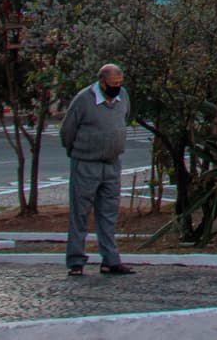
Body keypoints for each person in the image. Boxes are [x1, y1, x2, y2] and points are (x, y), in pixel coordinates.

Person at [60, 63, 136, 277]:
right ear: (102, 82)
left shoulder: (123, 98)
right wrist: (78, 152)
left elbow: (123, 119)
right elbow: (68, 131)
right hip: (86, 163)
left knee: (109, 214)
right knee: (80, 214)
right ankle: (76, 261)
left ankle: (110, 260)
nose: (117, 87)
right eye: (113, 84)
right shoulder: (83, 100)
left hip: (112, 164)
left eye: (120, 84)